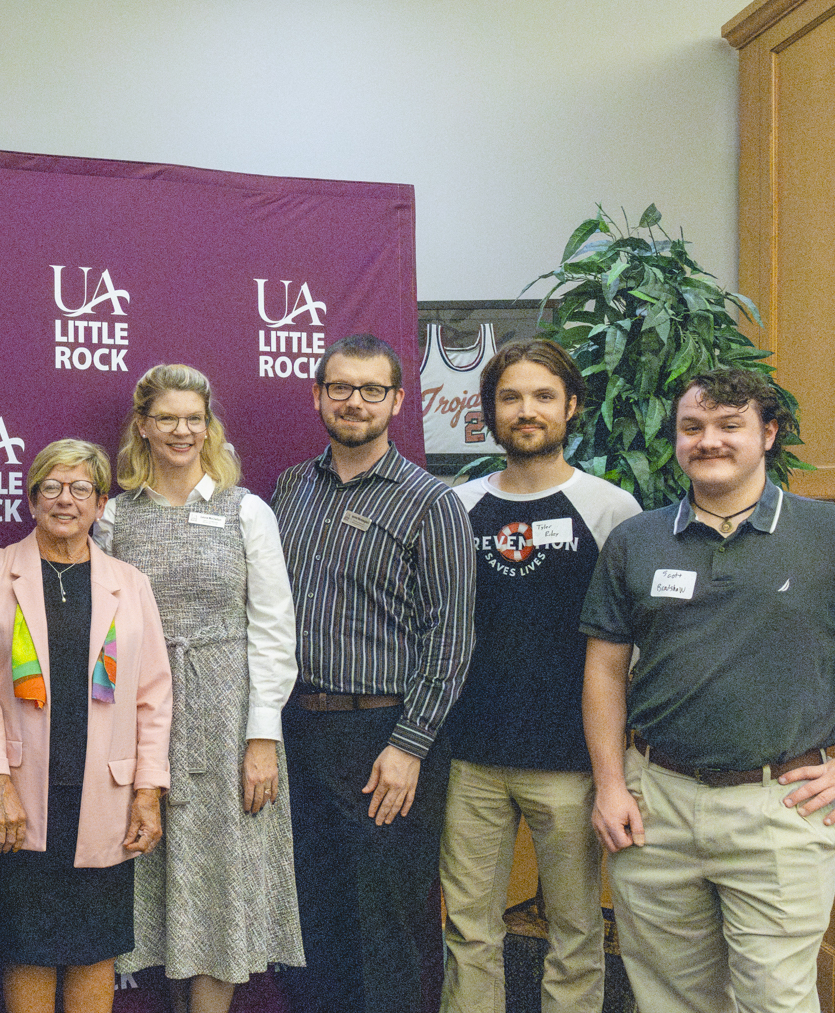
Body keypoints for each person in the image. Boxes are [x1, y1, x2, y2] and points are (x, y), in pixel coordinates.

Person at [581, 367, 835, 1013]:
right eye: (692, 427)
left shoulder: (823, 534)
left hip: (782, 806)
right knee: (670, 1000)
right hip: (655, 805)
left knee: (775, 999)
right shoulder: (635, 540)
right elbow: (606, 669)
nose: (709, 440)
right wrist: (611, 784)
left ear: (768, 434)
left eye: (730, 426)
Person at [269, 333, 476, 1013]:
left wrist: (409, 745)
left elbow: (450, 639)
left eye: (371, 390)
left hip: (385, 738)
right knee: (309, 923)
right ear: (317, 396)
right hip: (299, 733)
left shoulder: (431, 502)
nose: (354, 402)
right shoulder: (291, 487)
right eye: (340, 388)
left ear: (397, 399)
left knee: (383, 930)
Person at [439, 340, 640, 1013]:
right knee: (468, 930)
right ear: (491, 411)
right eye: (511, 397)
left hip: (571, 763)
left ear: (571, 405)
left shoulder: (611, 508)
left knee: (577, 931)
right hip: (470, 760)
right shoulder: (456, 506)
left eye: (543, 396)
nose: (527, 411)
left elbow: (633, 644)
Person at [100, 364, 305, 1011]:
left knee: (223, 884)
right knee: (154, 882)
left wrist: (263, 735)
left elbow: (274, 628)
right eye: (167, 417)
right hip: (141, 719)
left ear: (208, 424)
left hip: (228, 720)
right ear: (144, 426)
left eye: (194, 417)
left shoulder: (247, 511)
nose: (182, 430)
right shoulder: (112, 517)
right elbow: (102, 636)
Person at [0, 438, 172, 1013]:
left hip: (104, 794)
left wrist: (149, 792)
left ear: (100, 504)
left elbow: (153, 696)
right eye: (52, 487)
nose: (66, 500)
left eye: (81, 488)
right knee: (27, 948)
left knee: (93, 949)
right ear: (31, 499)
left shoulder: (130, 584)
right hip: (20, 795)